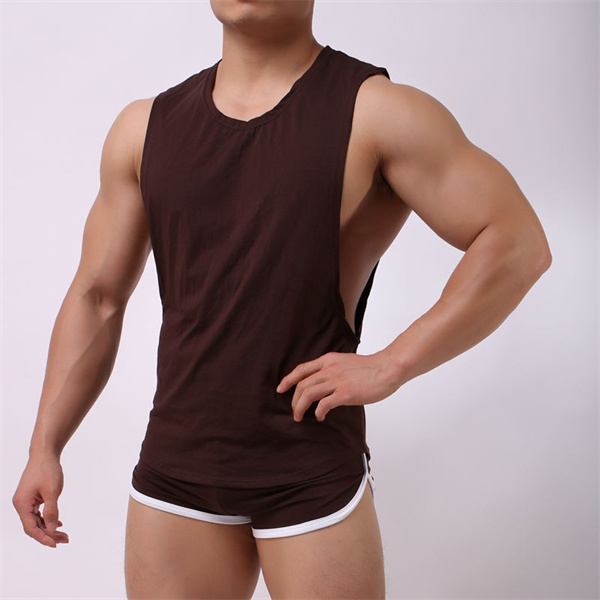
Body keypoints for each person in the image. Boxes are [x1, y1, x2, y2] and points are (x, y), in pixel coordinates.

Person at [12, 0, 552, 598]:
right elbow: (98, 297)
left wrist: (392, 364)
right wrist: (45, 446)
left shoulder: (379, 113)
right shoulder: (144, 127)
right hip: (177, 468)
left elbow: (516, 242)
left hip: (310, 469)